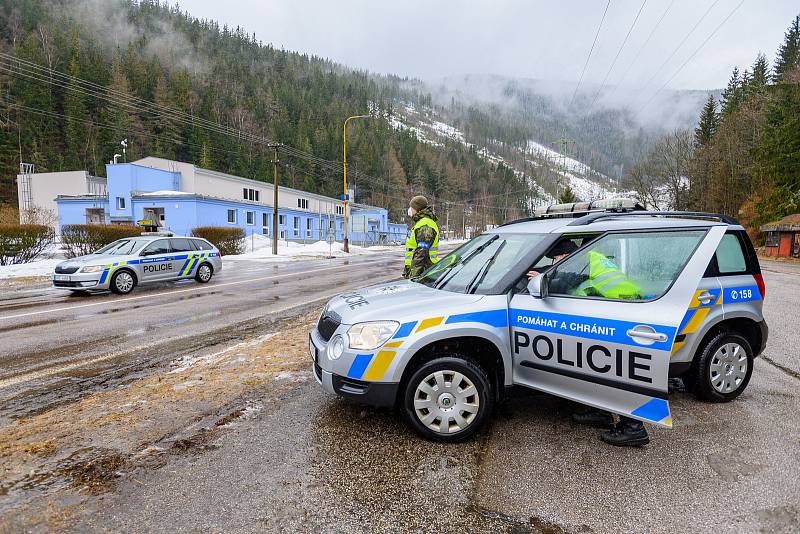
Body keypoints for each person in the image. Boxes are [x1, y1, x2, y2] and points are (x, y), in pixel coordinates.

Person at [527, 240, 650, 447]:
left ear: (565, 256)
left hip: (618, 322)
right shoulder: (590, 259)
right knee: (597, 371)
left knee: (615, 375)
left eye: (557, 260)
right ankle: (601, 412)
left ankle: (633, 428)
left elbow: (564, 281)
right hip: (616, 316)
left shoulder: (581, 264)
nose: (556, 264)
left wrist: (542, 278)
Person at [403, 195, 439, 278]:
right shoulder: (420, 223)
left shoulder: (425, 225)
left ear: (416, 208)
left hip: (424, 272)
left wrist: (413, 276)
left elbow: (421, 253)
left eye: (411, 207)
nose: (410, 210)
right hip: (421, 270)